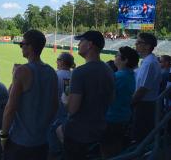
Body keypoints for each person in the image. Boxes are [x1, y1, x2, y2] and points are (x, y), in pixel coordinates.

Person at [2, 30, 58, 159]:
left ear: (30, 46)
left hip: (20, 143)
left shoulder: (22, 71)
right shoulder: (51, 72)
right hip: (42, 141)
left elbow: (10, 108)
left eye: (22, 44)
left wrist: (3, 136)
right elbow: (54, 106)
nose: (21, 47)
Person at [60, 30, 114, 159]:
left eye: (81, 41)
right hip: (99, 131)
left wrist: (64, 100)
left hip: (78, 135)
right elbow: (111, 99)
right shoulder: (108, 70)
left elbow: (72, 109)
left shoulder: (80, 72)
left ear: (90, 44)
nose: (78, 44)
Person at [100, 46, 138, 158]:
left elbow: (105, 96)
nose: (115, 57)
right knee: (115, 147)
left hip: (112, 117)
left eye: (117, 55)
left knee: (107, 150)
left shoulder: (118, 76)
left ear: (125, 60)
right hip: (122, 117)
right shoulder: (130, 75)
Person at [132, 32, 161, 143]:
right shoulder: (148, 62)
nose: (136, 44)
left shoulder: (150, 63)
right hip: (144, 104)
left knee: (139, 137)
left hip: (144, 105)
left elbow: (142, 89)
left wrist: (130, 103)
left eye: (139, 42)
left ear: (147, 46)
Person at [48, 52, 75, 159]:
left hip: (54, 117)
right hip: (68, 117)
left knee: (53, 147)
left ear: (62, 62)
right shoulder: (74, 75)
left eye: (58, 59)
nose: (56, 61)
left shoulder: (55, 75)